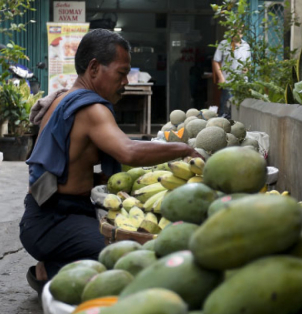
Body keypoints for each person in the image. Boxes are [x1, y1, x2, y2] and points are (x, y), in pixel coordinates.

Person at [20, 29, 201, 293]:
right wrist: (183, 149)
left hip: (46, 215)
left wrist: (101, 180)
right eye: (120, 73)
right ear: (94, 68)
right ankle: (50, 271)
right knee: (121, 262)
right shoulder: (92, 109)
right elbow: (127, 151)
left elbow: (63, 167)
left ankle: (60, 262)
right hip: (54, 220)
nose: (125, 81)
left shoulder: (62, 99)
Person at [212, 31, 251, 118]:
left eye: (241, 32)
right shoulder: (224, 44)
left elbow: (248, 64)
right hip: (228, 82)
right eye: (236, 31)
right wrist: (221, 77)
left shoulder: (246, 45)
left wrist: (247, 69)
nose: (239, 34)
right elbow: (216, 61)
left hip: (242, 83)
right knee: (226, 109)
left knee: (240, 108)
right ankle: (222, 127)